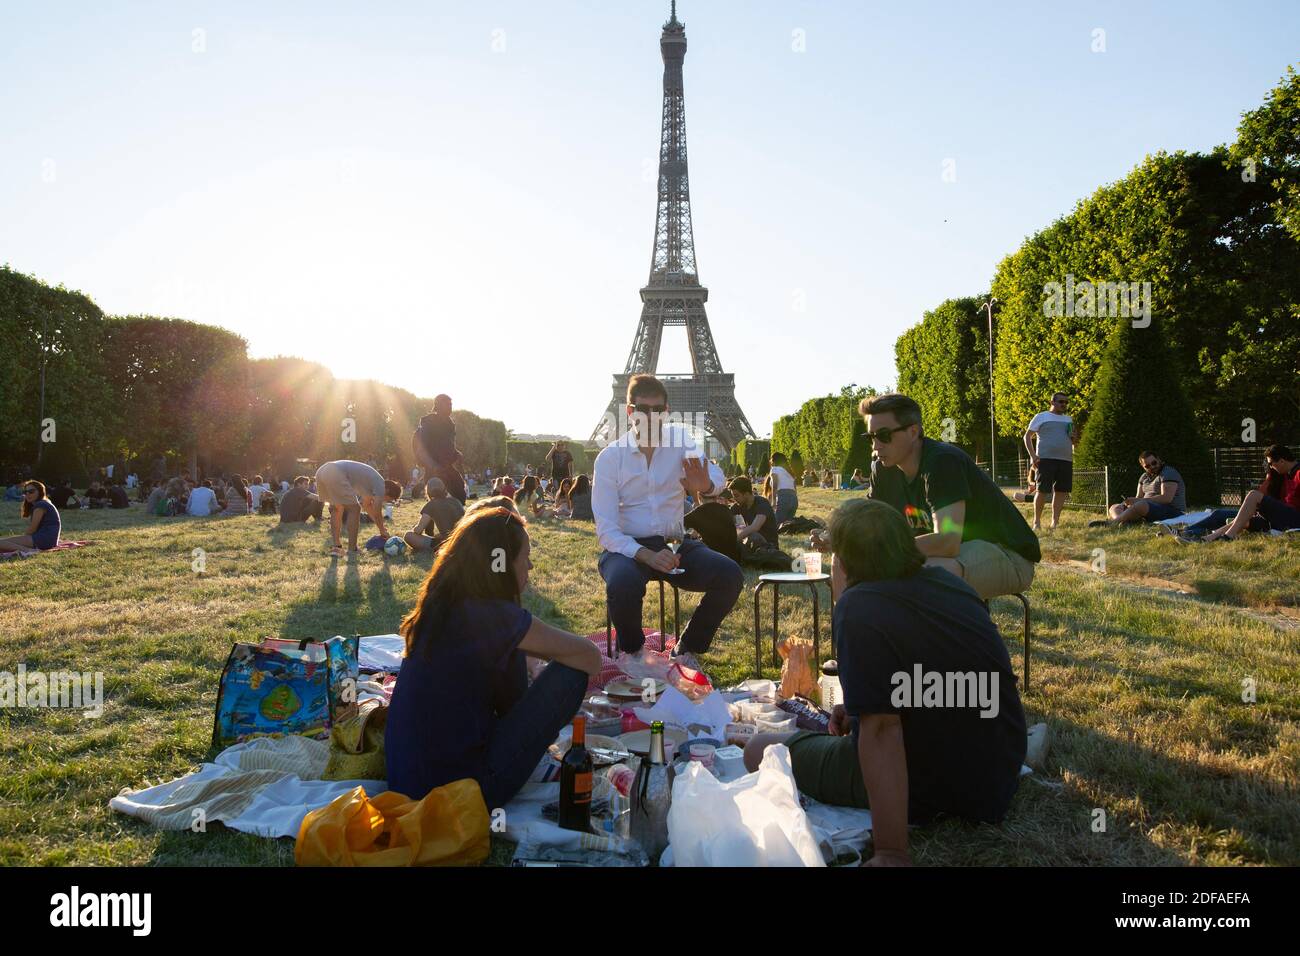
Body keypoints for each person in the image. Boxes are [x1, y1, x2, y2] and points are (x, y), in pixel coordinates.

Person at [744, 498, 1027, 866]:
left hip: (925, 779)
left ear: (843, 560)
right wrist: (859, 708)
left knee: (759, 749)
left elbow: (882, 730)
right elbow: (941, 680)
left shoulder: (859, 606)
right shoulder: (950, 583)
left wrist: (892, 851)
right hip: (995, 773)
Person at [384, 507, 602, 807]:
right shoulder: (493, 617)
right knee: (570, 673)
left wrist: (523, 651)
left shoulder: (445, 606)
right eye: (525, 557)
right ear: (500, 563)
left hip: (406, 780)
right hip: (462, 793)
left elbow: (510, 702)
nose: (531, 566)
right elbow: (590, 658)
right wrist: (541, 653)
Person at [592, 374, 743, 667]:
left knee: (730, 575)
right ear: (629, 411)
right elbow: (607, 531)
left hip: (674, 543)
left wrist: (706, 486)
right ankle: (634, 655)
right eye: (643, 410)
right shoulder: (609, 458)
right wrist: (647, 555)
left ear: (666, 410)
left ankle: (686, 649)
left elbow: (716, 478)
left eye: (657, 410)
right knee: (622, 582)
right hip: (627, 548)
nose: (651, 417)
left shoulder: (680, 440)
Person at [837, 393, 1040, 600]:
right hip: (950, 552)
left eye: (884, 435)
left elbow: (947, 541)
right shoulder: (883, 469)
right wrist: (841, 538)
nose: (876, 446)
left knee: (913, 573)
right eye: (871, 437)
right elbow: (869, 525)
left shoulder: (942, 462)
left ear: (914, 431)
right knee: (842, 559)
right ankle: (856, 627)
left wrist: (883, 551)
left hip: (1006, 553)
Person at [1200, 444, 1300, 541]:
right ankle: (1212, 536)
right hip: (1284, 517)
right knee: (1242, 520)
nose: (1270, 467)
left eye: (1271, 464)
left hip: (1294, 519)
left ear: (1282, 461)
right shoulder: (1286, 475)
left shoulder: (1298, 474)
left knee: (1253, 495)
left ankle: (1228, 536)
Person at [313, 460, 400, 554]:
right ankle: (352, 549)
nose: (385, 501)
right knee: (355, 509)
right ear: (387, 490)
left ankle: (337, 547)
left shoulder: (371, 482)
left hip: (322, 471)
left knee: (336, 509)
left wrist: (380, 526)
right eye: (388, 499)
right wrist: (382, 530)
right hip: (336, 472)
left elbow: (366, 505)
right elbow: (377, 512)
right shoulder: (381, 485)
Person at [1023, 392, 1077, 531]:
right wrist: (1033, 456)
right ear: (1052, 402)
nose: (1064, 404)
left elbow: (1072, 440)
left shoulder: (1068, 420)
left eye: (1066, 402)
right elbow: (1027, 437)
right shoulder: (1041, 417)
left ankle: (1055, 522)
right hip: (1045, 460)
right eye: (1061, 402)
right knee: (1041, 491)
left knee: (1061, 491)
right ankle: (1037, 522)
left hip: (1065, 460)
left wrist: (1074, 438)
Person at [1090, 451, 1186, 527]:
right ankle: (1125, 522)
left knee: (1141, 504)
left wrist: (1138, 501)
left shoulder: (1168, 473)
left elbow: (1166, 498)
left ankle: (1112, 523)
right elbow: (1138, 497)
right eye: (1147, 466)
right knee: (1115, 507)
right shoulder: (1143, 477)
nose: (1152, 466)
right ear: (1143, 467)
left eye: (1154, 463)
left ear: (1159, 459)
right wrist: (1129, 503)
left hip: (1172, 511)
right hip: (1147, 509)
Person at [413, 394, 467, 505]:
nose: (450, 407)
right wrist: (433, 466)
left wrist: (457, 454)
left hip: (446, 466)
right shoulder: (428, 423)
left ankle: (458, 517)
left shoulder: (450, 423)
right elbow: (421, 448)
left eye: (451, 405)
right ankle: (427, 521)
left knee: (460, 494)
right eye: (447, 404)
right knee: (434, 499)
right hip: (434, 468)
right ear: (437, 406)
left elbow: (449, 445)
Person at [404, 476, 465, 551]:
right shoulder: (456, 501)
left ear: (428, 491)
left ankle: (441, 548)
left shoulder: (431, 505)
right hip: (466, 540)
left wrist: (415, 527)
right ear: (444, 489)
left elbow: (418, 530)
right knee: (438, 536)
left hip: (450, 544)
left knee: (408, 536)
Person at [684, 486, 742, 564]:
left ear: (700, 496)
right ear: (716, 496)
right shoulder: (726, 509)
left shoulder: (698, 512)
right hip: (733, 559)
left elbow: (678, 526)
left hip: (712, 558)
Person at [0, 481, 62, 553]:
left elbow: (32, 529)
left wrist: (24, 538)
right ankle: (26, 549)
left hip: (44, 540)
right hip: (48, 540)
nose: (28, 494)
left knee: (1, 543)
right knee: (5, 545)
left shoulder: (40, 505)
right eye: (25, 492)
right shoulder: (44, 503)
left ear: (40, 491)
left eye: (31, 491)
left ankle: (29, 550)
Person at [729, 476, 780, 557]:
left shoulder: (762, 503)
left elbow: (755, 527)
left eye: (736, 495)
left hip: (769, 546)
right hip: (752, 544)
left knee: (753, 535)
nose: (734, 499)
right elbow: (729, 523)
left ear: (746, 494)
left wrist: (732, 540)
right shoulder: (738, 506)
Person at [768, 452, 799, 524]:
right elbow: (795, 489)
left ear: (773, 460)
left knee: (776, 524)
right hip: (794, 499)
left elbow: (774, 485)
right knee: (786, 524)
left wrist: (773, 501)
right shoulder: (789, 473)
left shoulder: (774, 469)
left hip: (783, 497)